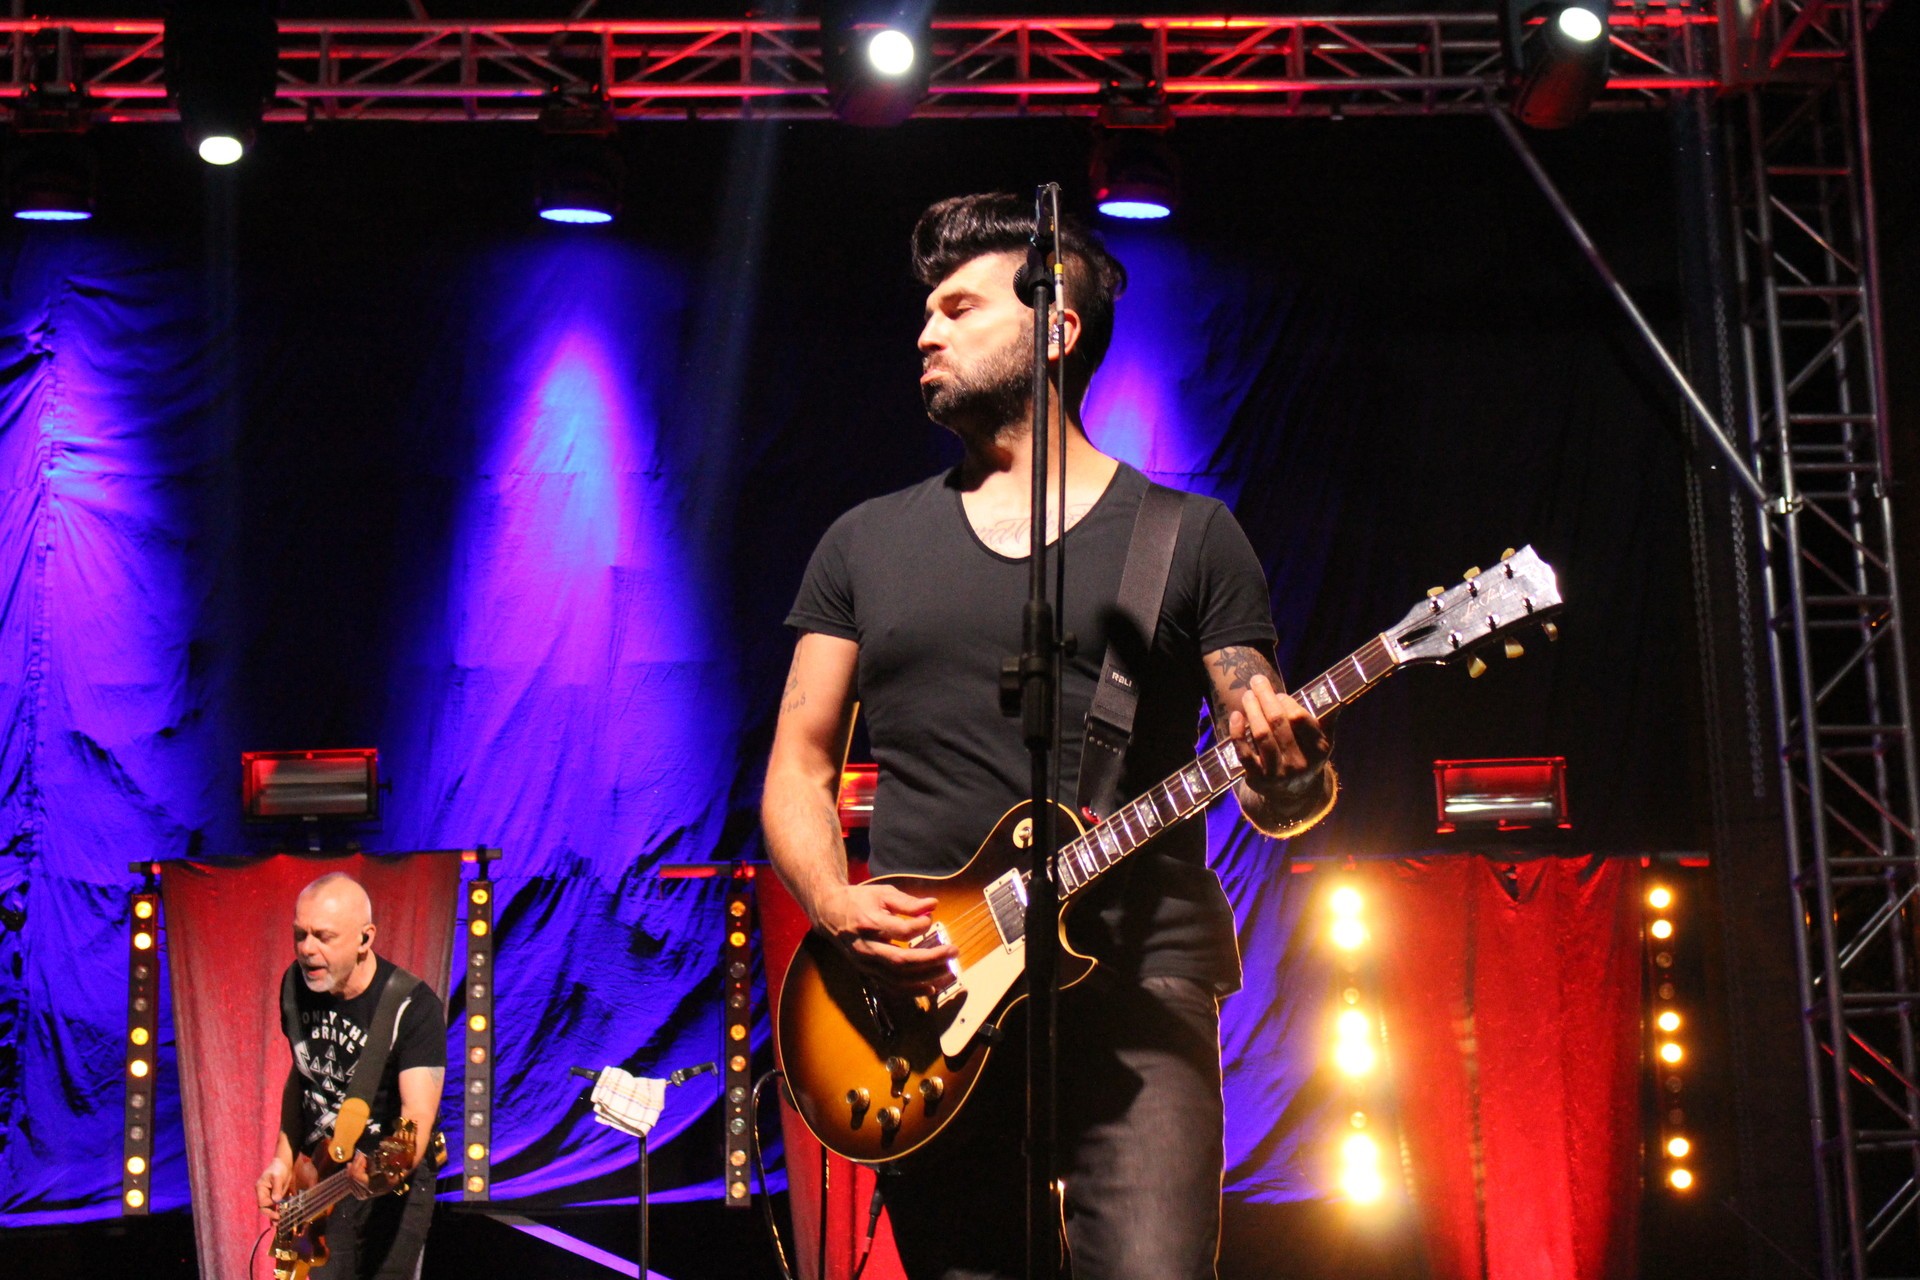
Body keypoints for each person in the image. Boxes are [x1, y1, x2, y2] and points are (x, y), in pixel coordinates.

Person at [761, 193, 1336, 1280]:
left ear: (1056, 328)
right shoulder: (863, 543)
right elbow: (800, 761)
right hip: (927, 1002)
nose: (924, 333)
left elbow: (1273, 782)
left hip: (1139, 991)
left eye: (959, 308)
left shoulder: (1190, 539)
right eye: (924, 311)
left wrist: (1290, 769)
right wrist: (833, 901)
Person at [254, 872, 445, 1279]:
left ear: (364, 939)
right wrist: (282, 1160)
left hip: (390, 1182)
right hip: (319, 1184)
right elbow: (303, 1076)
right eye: (300, 934)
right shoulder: (294, 985)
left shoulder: (412, 1006)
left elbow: (417, 1116)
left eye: (323, 937)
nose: (307, 949)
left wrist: (385, 1170)